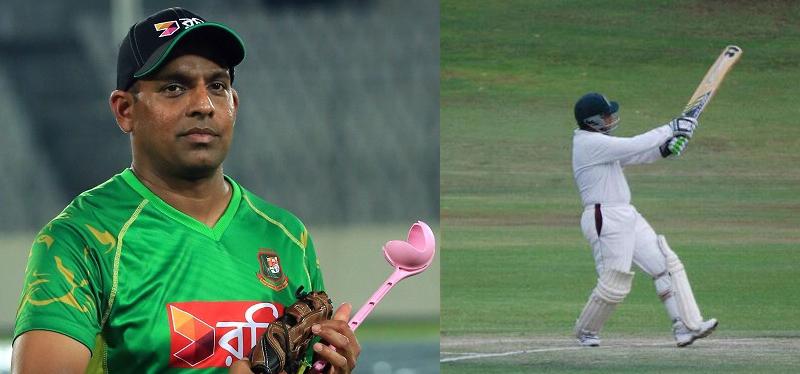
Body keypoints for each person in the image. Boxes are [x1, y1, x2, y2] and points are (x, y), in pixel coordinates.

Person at [12, 7, 359, 373]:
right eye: (174, 87)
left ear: (234, 105)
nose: (203, 105)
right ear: (125, 110)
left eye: (217, 86)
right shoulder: (80, 239)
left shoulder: (288, 237)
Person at [571, 92, 718, 347]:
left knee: (665, 264)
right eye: (606, 115)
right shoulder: (588, 144)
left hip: (626, 213)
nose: (611, 118)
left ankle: (685, 326)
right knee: (614, 283)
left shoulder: (602, 144)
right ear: (592, 121)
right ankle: (586, 330)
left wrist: (665, 149)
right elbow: (634, 144)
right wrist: (672, 127)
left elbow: (637, 155)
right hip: (603, 216)